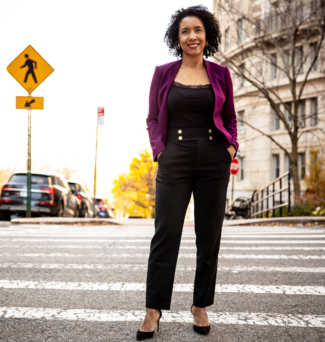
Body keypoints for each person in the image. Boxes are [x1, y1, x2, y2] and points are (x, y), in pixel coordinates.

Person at [136, 5, 238, 340]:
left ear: (207, 35)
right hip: (174, 157)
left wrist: (230, 147)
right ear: (176, 38)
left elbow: (230, 118)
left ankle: (200, 306)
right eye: (184, 31)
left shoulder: (221, 74)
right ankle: (153, 310)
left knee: (209, 236)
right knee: (166, 233)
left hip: (213, 158)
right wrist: (160, 150)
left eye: (197, 30)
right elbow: (152, 118)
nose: (191, 36)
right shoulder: (163, 73)